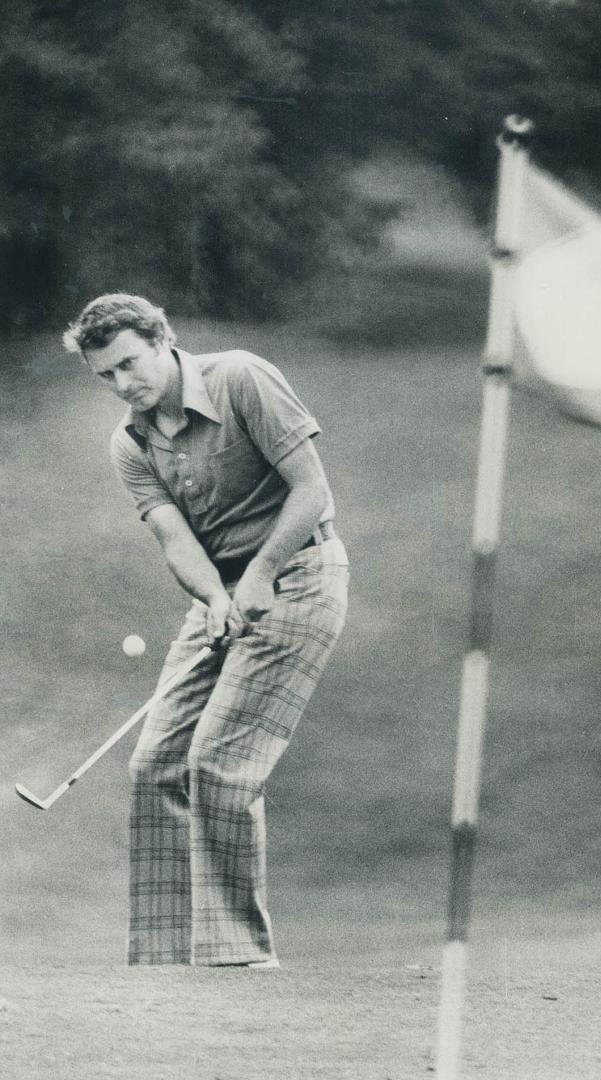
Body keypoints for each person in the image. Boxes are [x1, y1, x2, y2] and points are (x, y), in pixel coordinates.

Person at [62, 293, 349, 967]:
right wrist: (216, 595)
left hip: (303, 575)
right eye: (106, 375)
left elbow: (311, 490)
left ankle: (239, 958)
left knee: (217, 763)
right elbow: (174, 538)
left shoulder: (240, 376)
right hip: (222, 592)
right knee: (155, 763)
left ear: (162, 339)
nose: (123, 384)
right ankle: (164, 962)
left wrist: (260, 574)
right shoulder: (129, 442)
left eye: (130, 364)